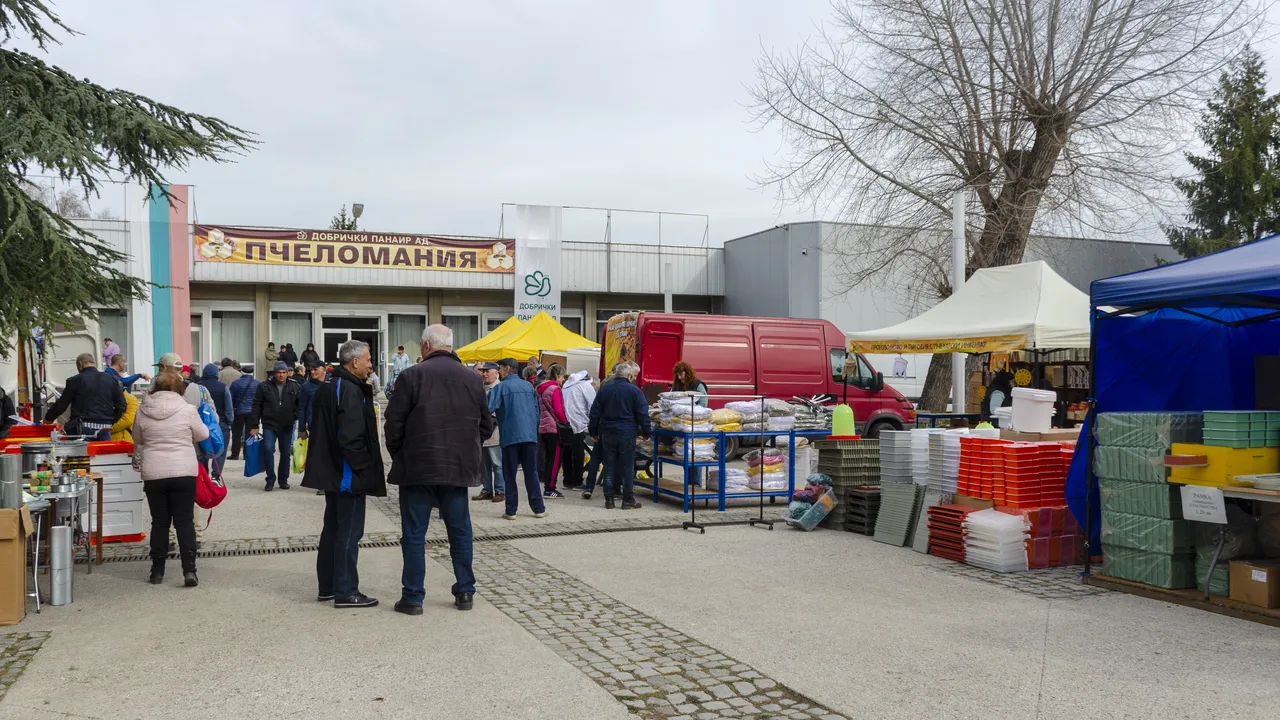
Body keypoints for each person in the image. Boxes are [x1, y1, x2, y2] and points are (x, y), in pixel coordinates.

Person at [384, 325, 493, 615]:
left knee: (414, 534)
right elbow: (486, 424)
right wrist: (466, 447)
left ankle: (413, 597)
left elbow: (393, 424)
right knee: (460, 531)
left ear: (426, 346)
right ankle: (465, 590)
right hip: (457, 467)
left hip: (418, 466)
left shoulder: (411, 376)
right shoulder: (472, 378)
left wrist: (401, 454)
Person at [301, 340, 386, 609]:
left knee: (333, 529)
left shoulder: (330, 386)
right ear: (354, 362)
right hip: (346, 473)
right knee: (348, 532)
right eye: (368, 359)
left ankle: (328, 586)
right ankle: (346, 591)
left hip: (333, 472)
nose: (371, 365)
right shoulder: (347, 389)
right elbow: (350, 438)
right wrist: (364, 467)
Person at [132, 371, 208, 587]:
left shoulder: (142, 410)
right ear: (178, 388)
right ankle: (189, 570)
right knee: (184, 521)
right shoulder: (187, 409)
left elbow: (137, 438)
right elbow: (203, 435)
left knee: (159, 522)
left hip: (154, 472)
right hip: (183, 472)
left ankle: (157, 571)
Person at [488, 357, 547, 520]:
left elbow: (487, 408)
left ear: (507, 369)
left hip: (510, 436)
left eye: (500, 369)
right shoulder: (528, 386)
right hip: (529, 436)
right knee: (531, 473)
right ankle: (538, 508)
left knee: (509, 474)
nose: (499, 372)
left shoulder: (501, 387)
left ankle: (511, 510)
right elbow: (536, 412)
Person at [588, 362, 651, 509]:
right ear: (629, 376)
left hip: (607, 432)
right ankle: (627, 499)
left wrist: (593, 431)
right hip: (627, 433)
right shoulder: (634, 391)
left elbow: (594, 412)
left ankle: (609, 500)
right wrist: (646, 432)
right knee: (627, 467)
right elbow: (643, 413)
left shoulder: (604, 389)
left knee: (609, 466)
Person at [43, 353, 126, 439]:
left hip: (82, 426)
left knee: (80, 448)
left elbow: (62, 404)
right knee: (102, 448)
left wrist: (49, 418)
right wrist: (111, 420)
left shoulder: (74, 380)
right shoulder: (111, 379)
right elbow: (122, 405)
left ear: (81, 363)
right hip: (105, 427)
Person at [249, 361, 302, 491]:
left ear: (287, 373)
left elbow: (300, 405)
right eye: (278, 372)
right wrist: (254, 425)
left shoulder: (294, 386)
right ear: (274, 373)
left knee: (285, 453)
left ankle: (283, 480)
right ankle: (270, 479)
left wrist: (295, 417)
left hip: (287, 425)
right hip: (269, 424)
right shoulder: (264, 386)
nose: (281, 375)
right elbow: (256, 405)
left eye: (284, 372)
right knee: (268, 450)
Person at [582, 365, 626, 500]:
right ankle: (614, 491)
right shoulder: (626, 388)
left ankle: (589, 487)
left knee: (596, 458)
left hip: (602, 427)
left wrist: (593, 430)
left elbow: (595, 411)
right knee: (613, 461)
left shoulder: (605, 386)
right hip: (617, 430)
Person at [473, 362, 505, 502]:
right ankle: (487, 489)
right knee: (484, 464)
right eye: (483, 371)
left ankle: (500, 490)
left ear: (496, 373)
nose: (485, 374)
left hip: (495, 432)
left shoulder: (500, 388)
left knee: (497, 463)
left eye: (488, 371)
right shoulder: (480, 388)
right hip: (481, 432)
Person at [536, 364, 569, 498]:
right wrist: (565, 422)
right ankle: (550, 488)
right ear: (558, 376)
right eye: (562, 377)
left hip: (543, 426)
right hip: (554, 427)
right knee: (555, 459)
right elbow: (559, 410)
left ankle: (548, 486)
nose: (563, 380)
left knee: (548, 458)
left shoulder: (541, 388)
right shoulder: (555, 389)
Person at [196, 363, 233, 480]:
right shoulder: (223, 387)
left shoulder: (197, 387)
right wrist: (229, 421)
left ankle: (204, 475)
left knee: (202, 449)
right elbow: (229, 407)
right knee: (220, 450)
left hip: (201, 422)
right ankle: (216, 475)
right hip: (220, 423)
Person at [561, 370, 597, 490]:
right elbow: (593, 405)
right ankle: (577, 481)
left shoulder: (566, 386)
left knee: (566, 453)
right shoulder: (585, 386)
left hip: (564, 424)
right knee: (578, 453)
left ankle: (567, 480)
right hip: (578, 424)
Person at [228, 368, 260, 461]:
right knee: (249, 434)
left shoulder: (235, 383)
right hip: (252, 412)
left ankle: (235, 454)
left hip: (238, 412)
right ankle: (247, 454)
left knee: (236, 434)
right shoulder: (258, 383)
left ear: (242, 372)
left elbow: (231, 398)